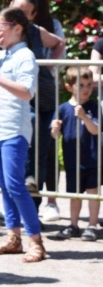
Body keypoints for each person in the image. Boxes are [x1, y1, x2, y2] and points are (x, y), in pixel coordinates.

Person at [0, 0, 65, 220]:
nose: (18, 13)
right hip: (7, 111)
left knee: (37, 151)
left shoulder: (30, 42)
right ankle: (15, 227)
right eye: (15, 7)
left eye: (24, 12)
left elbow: (58, 43)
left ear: (29, 17)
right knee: (10, 181)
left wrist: (48, 67)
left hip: (39, 97)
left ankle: (34, 225)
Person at [0, 7, 46, 263]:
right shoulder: (1, 55)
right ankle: (13, 237)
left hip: (14, 130)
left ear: (17, 27)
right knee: (6, 187)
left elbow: (27, 91)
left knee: (16, 186)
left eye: (0, 26)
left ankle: (36, 241)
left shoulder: (25, 56)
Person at [17, 0, 66, 221]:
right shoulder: (9, 26)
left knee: (47, 144)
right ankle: (21, 202)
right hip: (21, 92)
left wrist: (47, 68)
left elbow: (60, 44)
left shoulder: (45, 26)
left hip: (44, 90)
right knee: (22, 143)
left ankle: (51, 201)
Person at [51, 67, 100, 241]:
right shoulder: (63, 108)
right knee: (74, 194)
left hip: (93, 159)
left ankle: (92, 225)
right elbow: (55, 135)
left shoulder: (94, 106)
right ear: (69, 87)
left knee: (93, 192)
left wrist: (84, 117)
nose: (86, 89)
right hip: (72, 160)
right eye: (81, 85)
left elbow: (96, 130)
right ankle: (73, 224)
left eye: (89, 84)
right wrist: (55, 129)